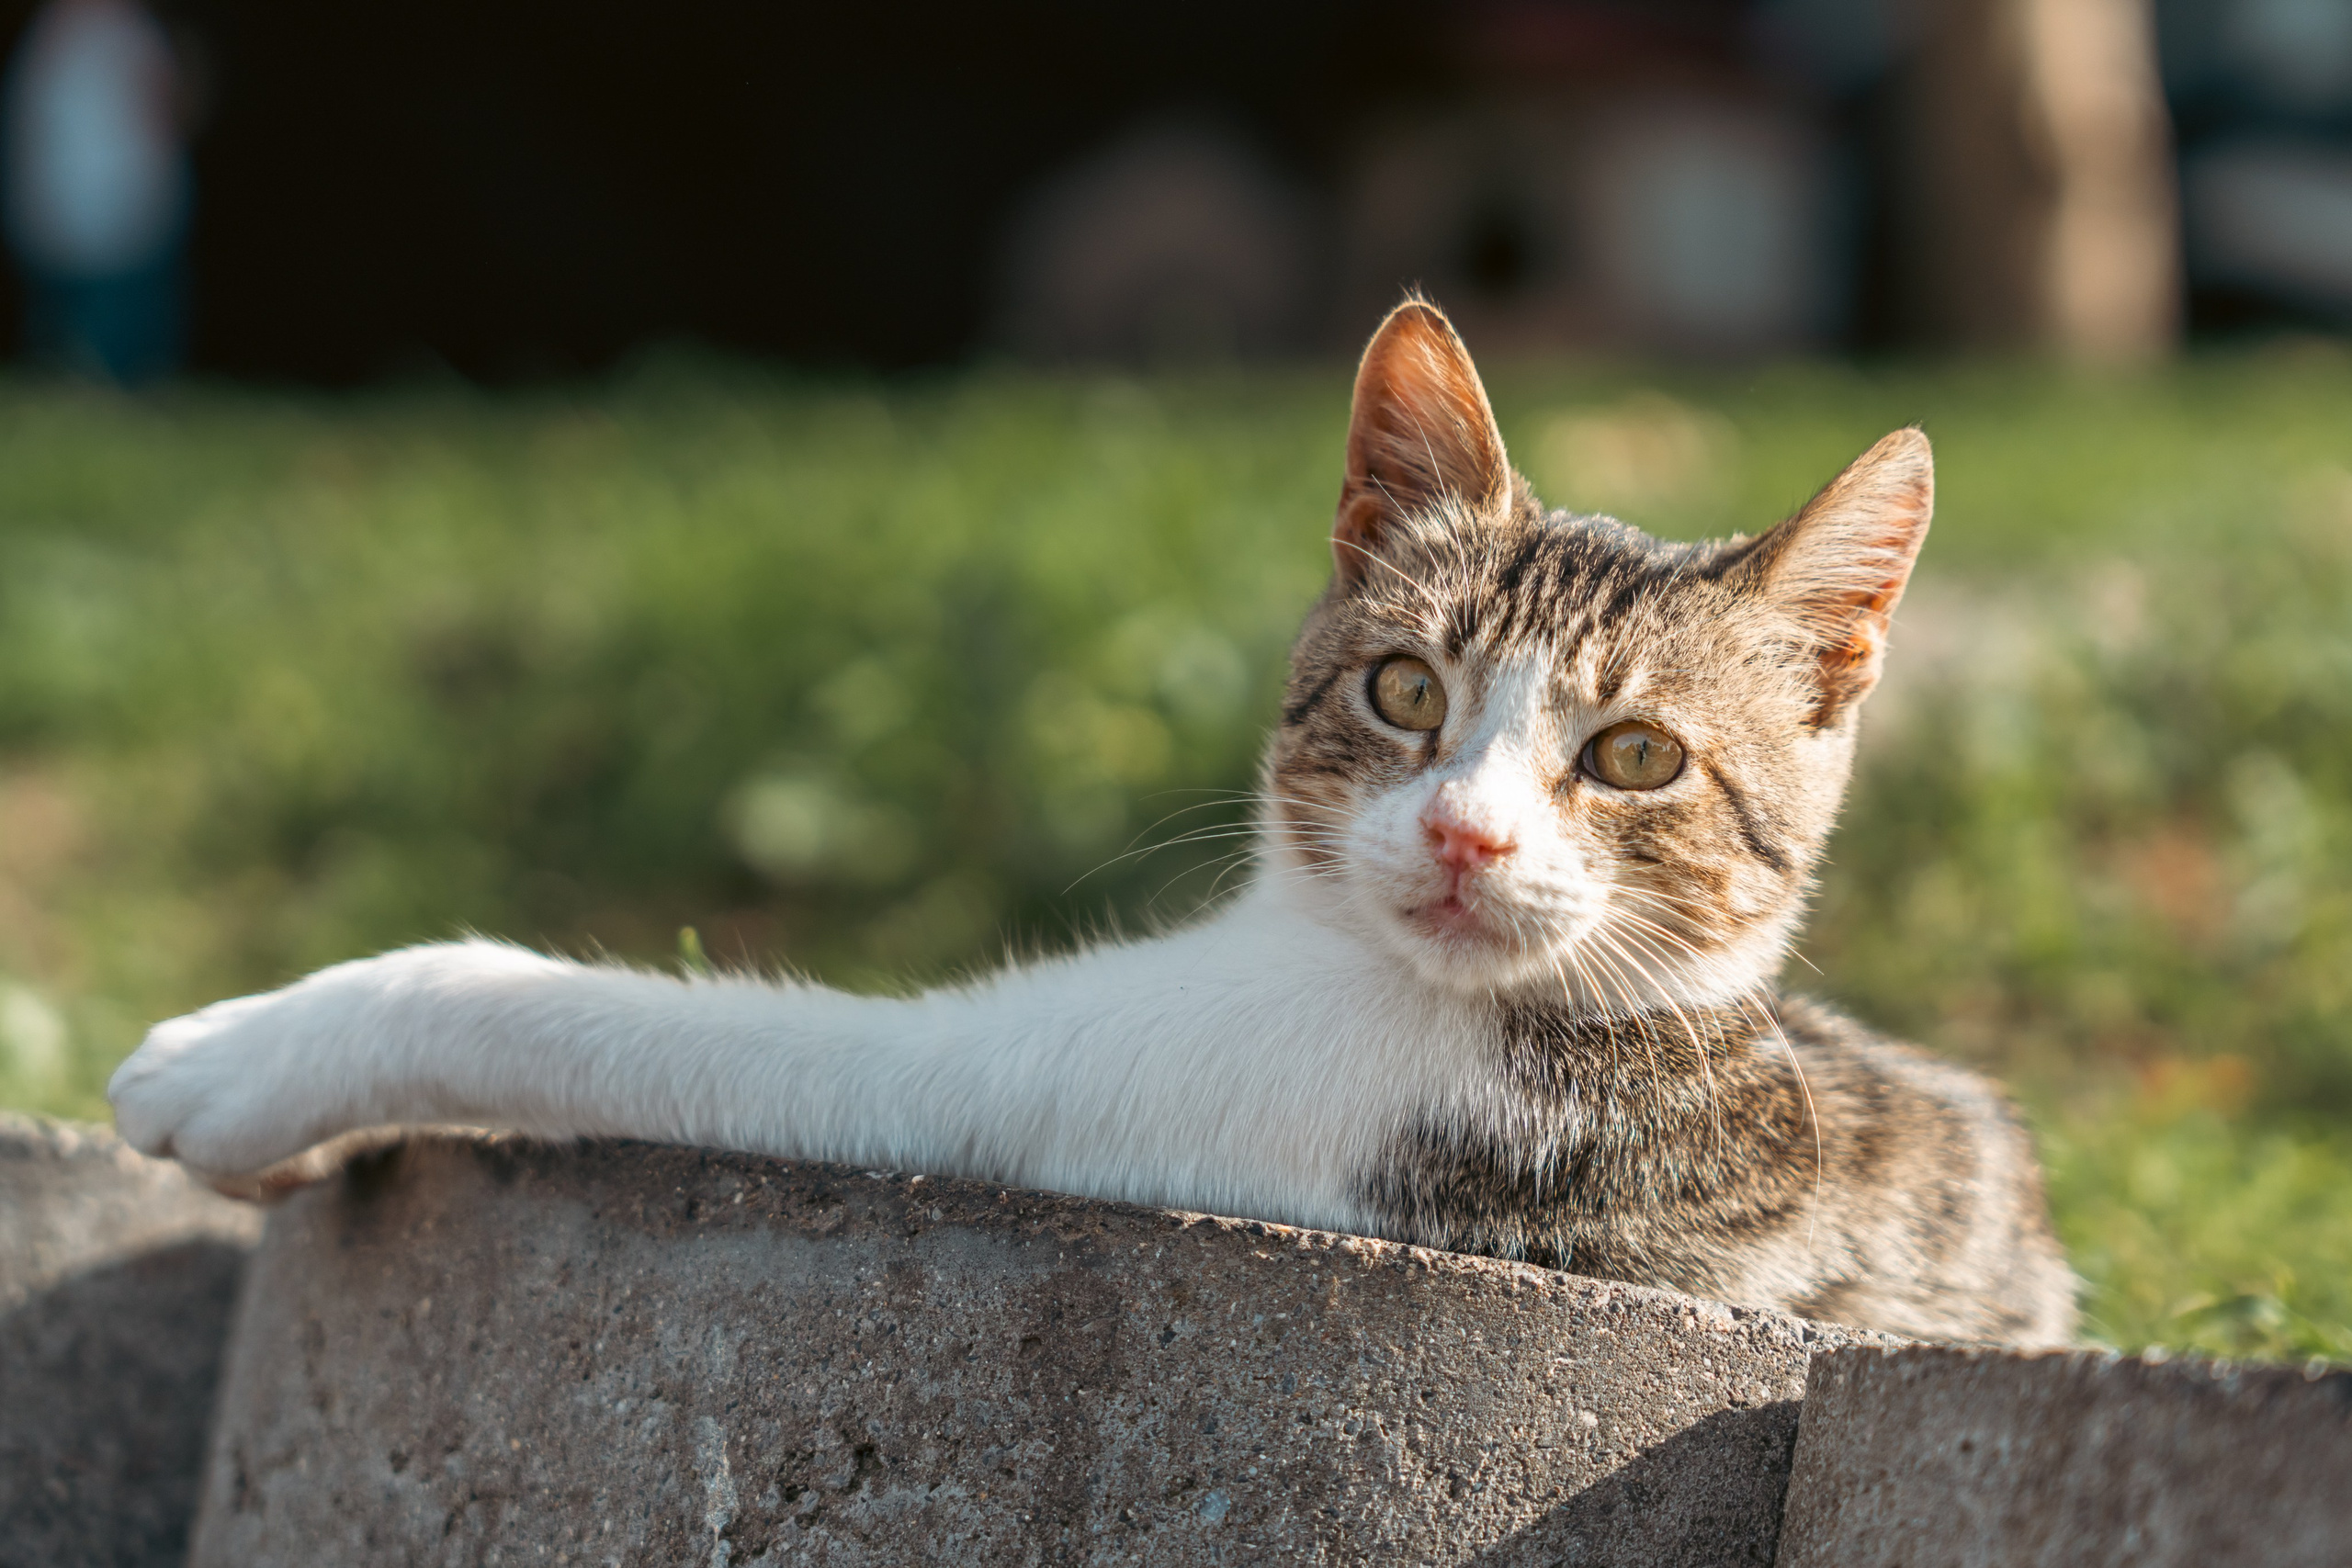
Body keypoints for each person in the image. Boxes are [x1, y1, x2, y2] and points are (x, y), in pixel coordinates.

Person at [3, 0, 190, 384]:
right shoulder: (61, 35)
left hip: (118, 217)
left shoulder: (124, 32)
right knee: (70, 342)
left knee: (121, 347)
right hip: (79, 219)